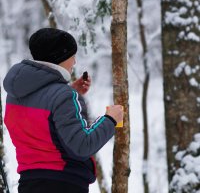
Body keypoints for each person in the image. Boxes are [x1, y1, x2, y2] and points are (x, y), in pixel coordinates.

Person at [3, 28, 123, 193]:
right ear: (59, 58)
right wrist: (111, 120)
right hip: (64, 183)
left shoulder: (15, 94)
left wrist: (68, 92)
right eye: (72, 56)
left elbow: (39, 122)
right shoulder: (63, 96)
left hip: (28, 183)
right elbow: (82, 146)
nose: (74, 62)